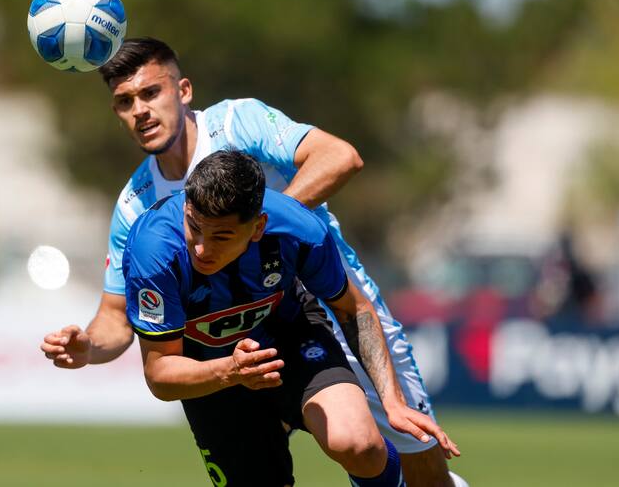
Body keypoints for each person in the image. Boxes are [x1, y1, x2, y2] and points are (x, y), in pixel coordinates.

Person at [41, 37, 462, 486]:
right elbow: (117, 318)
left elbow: (339, 157)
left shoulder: (237, 123)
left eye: (150, 93)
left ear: (183, 91)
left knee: (418, 468)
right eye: (125, 102)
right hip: (228, 350)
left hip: (325, 306)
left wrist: (255, 231)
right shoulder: (135, 208)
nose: (140, 110)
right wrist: (88, 347)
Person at [127, 150, 418, 486]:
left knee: (359, 444)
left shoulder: (298, 230)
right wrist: (231, 371)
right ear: (186, 209)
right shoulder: (154, 251)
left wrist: (392, 400)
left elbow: (354, 308)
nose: (202, 249)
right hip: (210, 369)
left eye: (221, 236)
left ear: (257, 227)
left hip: (290, 336)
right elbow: (160, 375)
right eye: (194, 227)